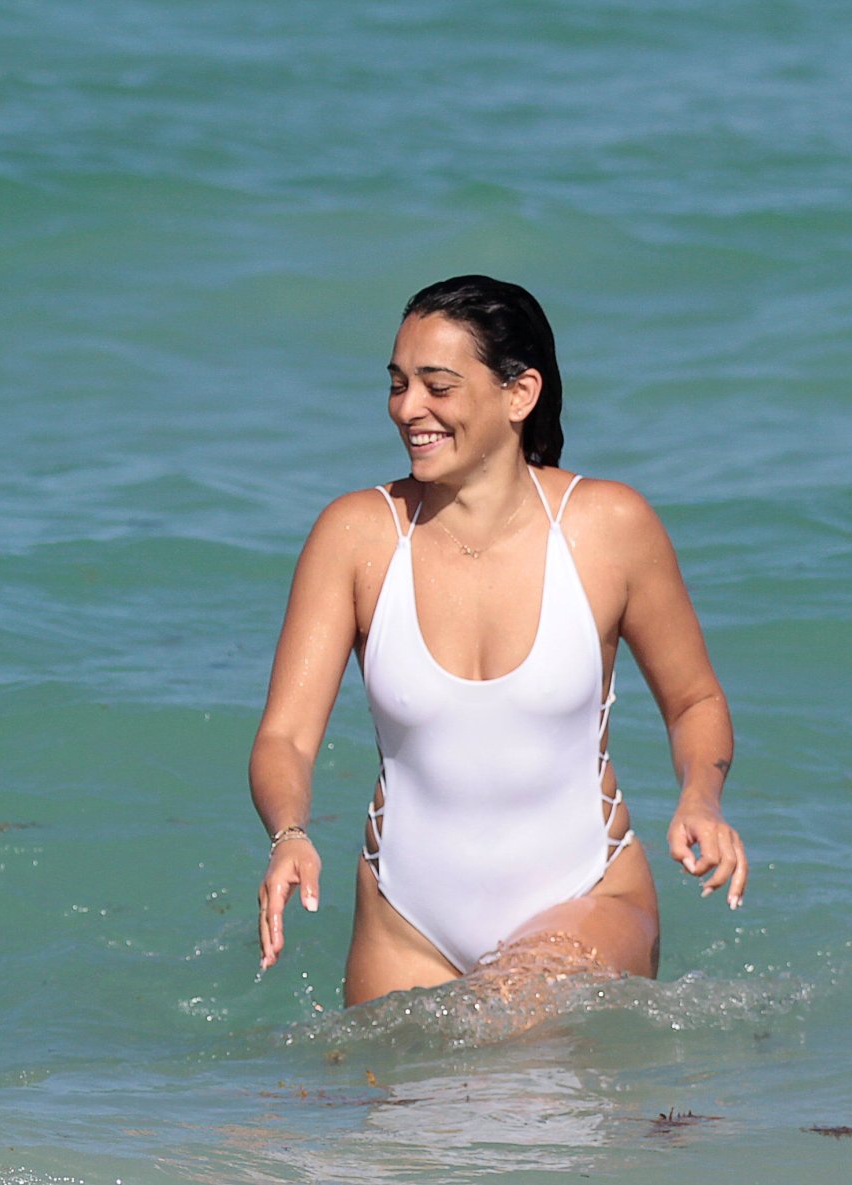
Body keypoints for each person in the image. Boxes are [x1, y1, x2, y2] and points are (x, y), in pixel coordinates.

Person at [249, 275, 747, 1005]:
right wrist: (289, 833)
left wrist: (701, 797)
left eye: (437, 386)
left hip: (589, 894)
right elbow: (285, 738)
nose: (407, 408)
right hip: (404, 922)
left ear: (520, 394)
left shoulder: (607, 528)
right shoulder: (356, 536)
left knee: (505, 1018)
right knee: (374, 1077)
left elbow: (695, 700)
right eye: (398, 384)